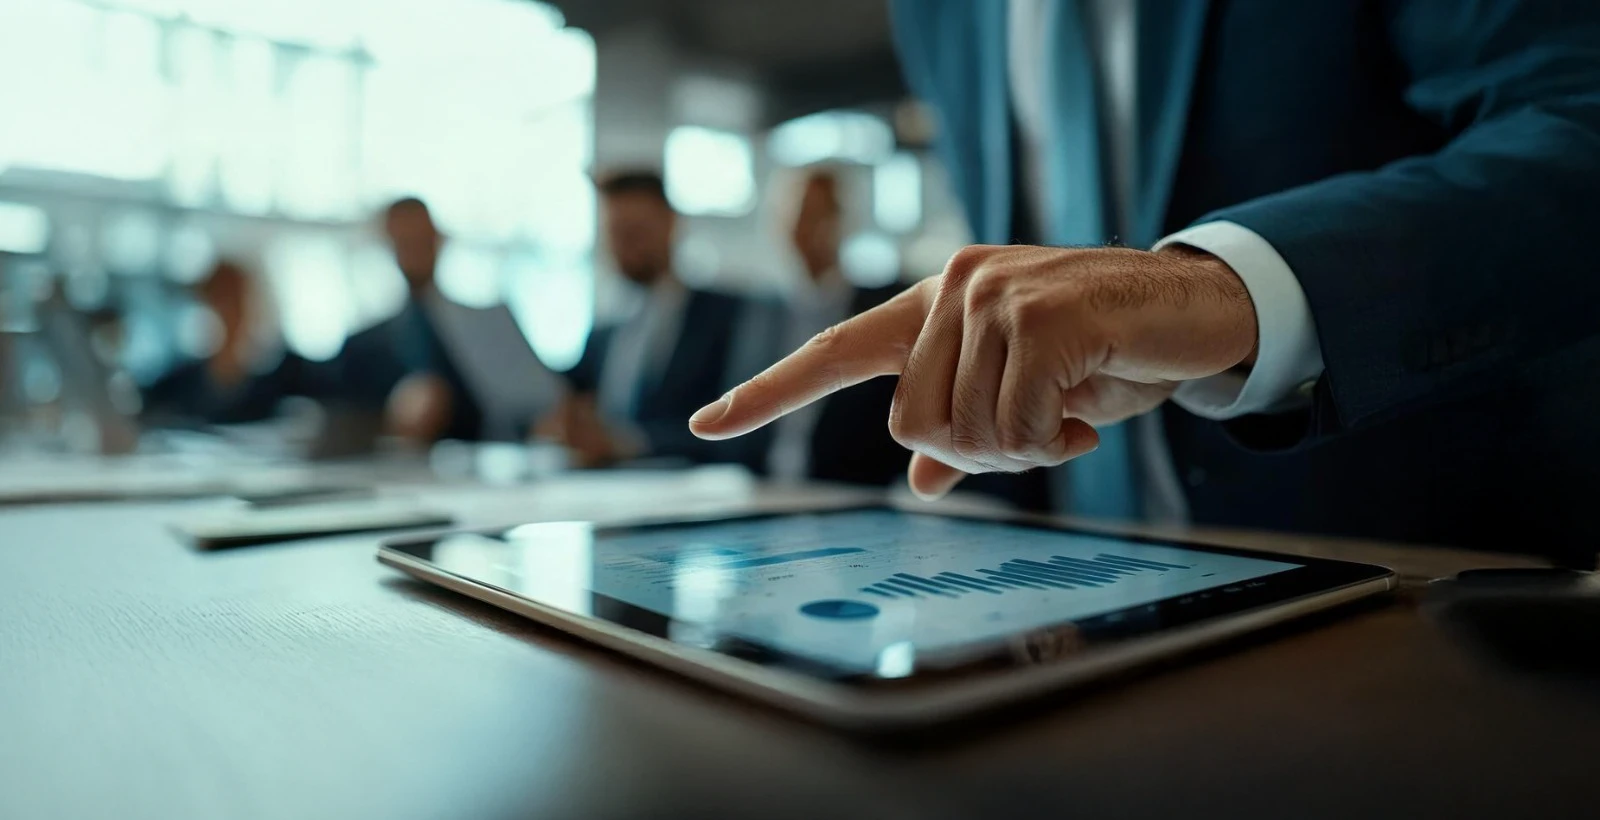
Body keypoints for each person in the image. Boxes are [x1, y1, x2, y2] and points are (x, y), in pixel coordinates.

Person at [689, 0, 1600, 562]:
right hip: (1067, 625)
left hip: (1410, 602)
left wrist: (1234, 286)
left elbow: (1574, 121)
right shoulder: (934, 9)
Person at [548, 170, 759, 469]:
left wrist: (632, 443)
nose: (626, 247)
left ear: (672, 225)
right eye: (616, 234)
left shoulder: (728, 316)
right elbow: (564, 398)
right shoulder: (605, 331)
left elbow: (739, 425)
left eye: (637, 232)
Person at [752, 167, 909, 486]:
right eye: (792, 214)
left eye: (815, 214)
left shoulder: (882, 307)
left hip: (853, 489)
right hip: (767, 487)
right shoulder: (762, 315)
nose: (802, 227)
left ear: (842, 221)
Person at [333, 197, 483, 443]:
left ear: (438, 240)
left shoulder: (481, 333)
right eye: (405, 243)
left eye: (422, 241)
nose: (415, 253)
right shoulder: (361, 346)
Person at [143, 260, 309, 425]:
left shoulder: (284, 376)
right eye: (221, 301)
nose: (229, 313)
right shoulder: (180, 380)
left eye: (236, 301)